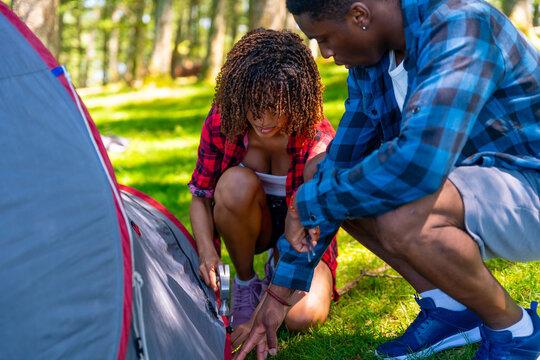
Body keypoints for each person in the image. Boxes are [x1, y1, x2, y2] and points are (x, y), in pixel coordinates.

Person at [232, 0, 540, 359]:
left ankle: (517, 332)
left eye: (325, 39)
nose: (326, 54)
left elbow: (417, 165)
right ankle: (452, 309)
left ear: (360, 16)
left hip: (529, 186)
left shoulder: (461, 25)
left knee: (397, 210)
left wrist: (310, 202)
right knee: (323, 175)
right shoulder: (372, 62)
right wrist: (278, 295)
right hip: (471, 191)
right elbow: (338, 167)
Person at [188, 28, 340, 333]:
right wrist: (207, 252)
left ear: (296, 99)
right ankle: (246, 284)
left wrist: (278, 293)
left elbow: (316, 226)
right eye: (254, 106)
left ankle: (278, 269)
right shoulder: (223, 122)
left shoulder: (317, 138)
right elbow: (201, 196)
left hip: (302, 233)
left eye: (275, 108)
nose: (263, 120)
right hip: (250, 224)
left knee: (302, 318)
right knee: (233, 185)